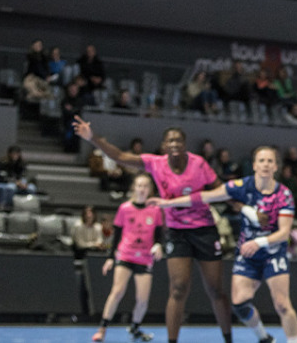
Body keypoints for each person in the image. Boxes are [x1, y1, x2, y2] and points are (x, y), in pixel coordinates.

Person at [72, 116, 235, 343]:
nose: (175, 144)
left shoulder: (199, 164)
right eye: (170, 141)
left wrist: (245, 208)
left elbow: (221, 191)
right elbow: (119, 156)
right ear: (164, 145)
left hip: (204, 230)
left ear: (185, 144)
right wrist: (93, 138)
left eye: (179, 141)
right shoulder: (154, 163)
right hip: (177, 233)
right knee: (178, 288)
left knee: (216, 290)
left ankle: (228, 339)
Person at [149, 146, 297, 343]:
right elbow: (204, 197)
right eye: (261, 161)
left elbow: (284, 233)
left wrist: (259, 241)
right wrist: (169, 203)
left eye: (270, 161)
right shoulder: (241, 186)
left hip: (273, 252)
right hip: (248, 254)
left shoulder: (284, 194)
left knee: (282, 304)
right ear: (254, 165)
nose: (265, 164)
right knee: (239, 303)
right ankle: (264, 337)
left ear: (276, 167)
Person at [92, 173, 164, 342]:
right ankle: (102, 328)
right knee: (117, 291)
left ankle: (135, 328)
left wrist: (158, 245)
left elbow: (159, 234)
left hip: (145, 258)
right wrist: (110, 258)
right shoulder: (125, 208)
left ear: (150, 190)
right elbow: (116, 235)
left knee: (142, 300)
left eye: (145, 186)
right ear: (134, 188)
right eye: (139, 185)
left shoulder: (155, 210)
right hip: (126, 255)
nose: (142, 189)